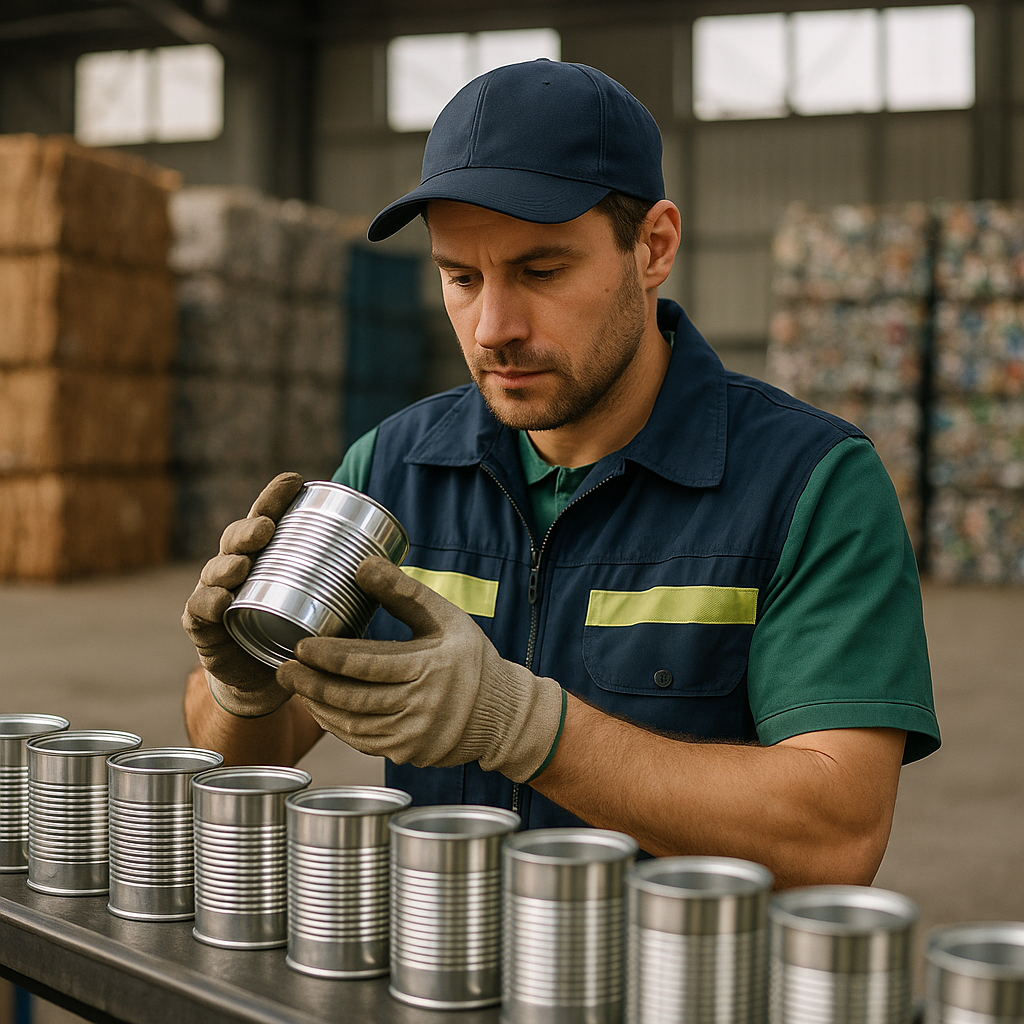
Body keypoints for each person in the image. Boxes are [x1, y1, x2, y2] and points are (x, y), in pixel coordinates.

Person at [183, 59, 939, 888]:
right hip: (442, 976)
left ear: (653, 247)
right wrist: (242, 689)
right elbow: (250, 751)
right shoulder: (392, 468)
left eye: (542, 272)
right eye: (461, 277)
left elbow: (833, 838)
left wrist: (528, 727)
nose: (493, 327)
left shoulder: (808, 487)